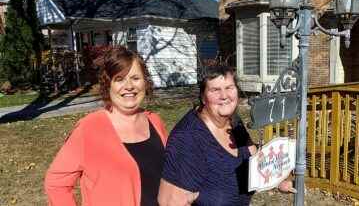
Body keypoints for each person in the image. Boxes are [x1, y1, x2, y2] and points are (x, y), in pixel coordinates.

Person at [44, 46, 168, 206]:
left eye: (135, 78)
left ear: (145, 82)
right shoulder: (89, 128)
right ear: (108, 85)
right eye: (119, 79)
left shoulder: (155, 121)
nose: (129, 86)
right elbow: (56, 183)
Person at [158, 65, 294, 206]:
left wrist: (279, 178)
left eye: (229, 88)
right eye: (215, 90)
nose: (224, 96)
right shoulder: (188, 139)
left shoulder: (233, 121)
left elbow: (257, 161)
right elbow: (169, 201)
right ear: (203, 97)